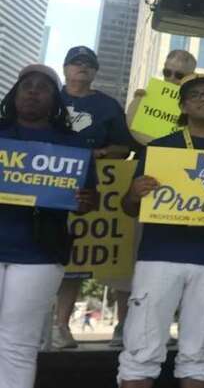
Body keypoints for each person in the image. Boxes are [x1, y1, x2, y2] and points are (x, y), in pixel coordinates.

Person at [117, 74, 204, 388]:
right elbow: (129, 208)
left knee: (199, 355)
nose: (203, 97)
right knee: (141, 351)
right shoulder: (158, 149)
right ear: (182, 105)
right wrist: (132, 193)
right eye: (194, 94)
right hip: (158, 257)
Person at [0, 64, 98, 387]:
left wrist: (85, 202)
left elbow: (89, 200)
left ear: (55, 100)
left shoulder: (75, 147)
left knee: (18, 344)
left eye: (42, 87)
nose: (32, 91)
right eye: (27, 85)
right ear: (15, 94)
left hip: (40, 256)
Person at [110, 49, 198, 348]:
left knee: (173, 260)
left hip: (184, 191)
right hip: (147, 182)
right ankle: (123, 325)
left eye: (180, 75)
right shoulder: (147, 100)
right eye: (168, 72)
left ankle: (164, 325)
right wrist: (138, 104)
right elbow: (129, 135)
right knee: (134, 255)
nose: (172, 79)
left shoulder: (200, 107)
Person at [52, 45, 134, 350]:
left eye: (88, 64)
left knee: (90, 256)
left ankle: (116, 326)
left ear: (95, 71)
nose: (82, 67)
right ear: (65, 68)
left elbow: (124, 147)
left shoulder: (108, 106)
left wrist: (96, 153)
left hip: (96, 193)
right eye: (76, 62)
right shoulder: (49, 98)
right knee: (53, 260)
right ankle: (51, 326)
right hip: (50, 190)